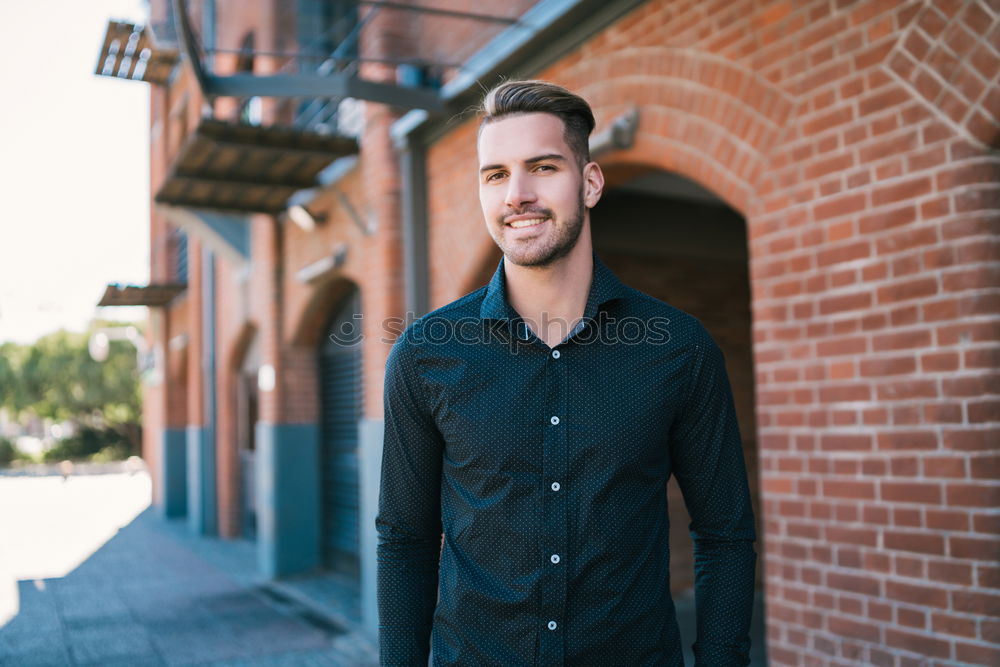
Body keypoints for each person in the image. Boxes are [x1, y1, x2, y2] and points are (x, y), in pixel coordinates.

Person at [377, 80, 757, 666]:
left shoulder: (679, 350)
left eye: (543, 167)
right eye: (495, 174)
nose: (517, 195)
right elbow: (405, 542)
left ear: (590, 182)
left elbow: (725, 534)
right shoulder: (427, 354)